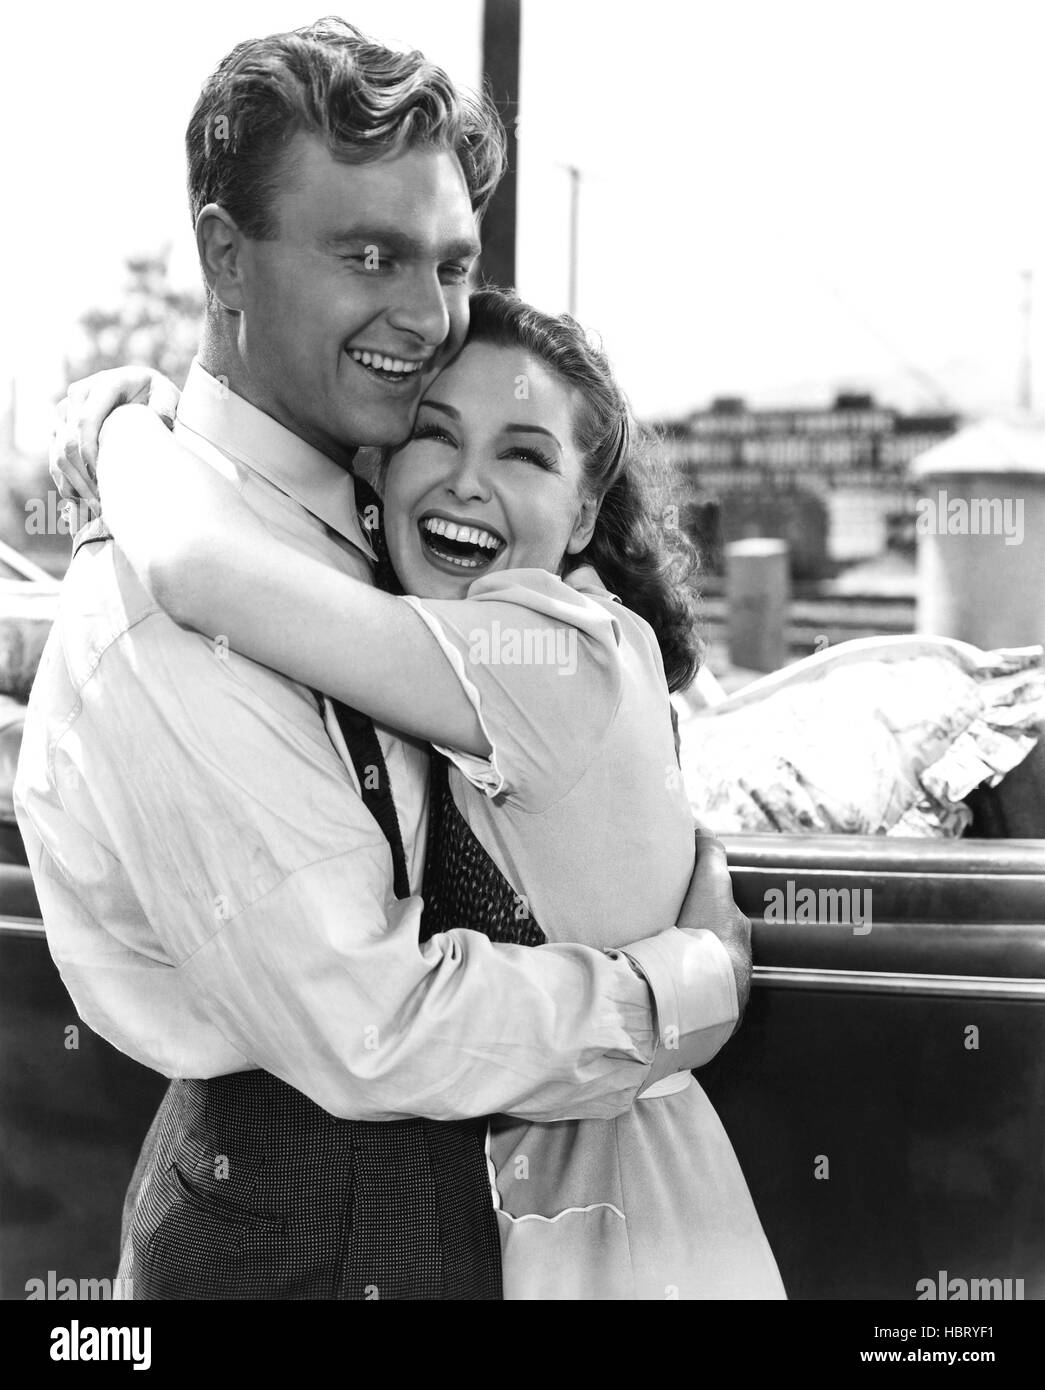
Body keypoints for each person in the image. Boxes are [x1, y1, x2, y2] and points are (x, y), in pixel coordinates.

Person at [18, 17, 752, 1301]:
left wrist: (119, 418)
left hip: (453, 1213)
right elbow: (370, 1024)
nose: (424, 319)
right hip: (298, 1232)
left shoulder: (368, 503)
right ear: (223, 259)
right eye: (369, 256)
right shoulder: (162, 604)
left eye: (450, 264)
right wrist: (677, 990)